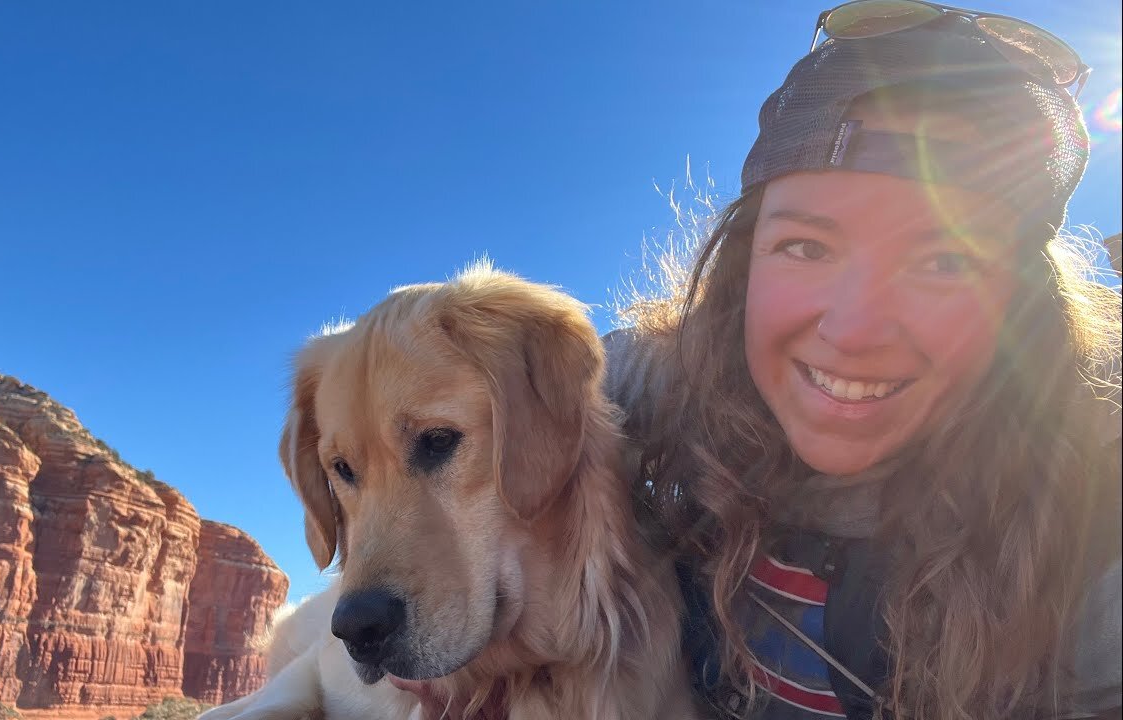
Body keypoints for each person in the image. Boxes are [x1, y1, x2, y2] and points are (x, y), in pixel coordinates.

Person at [399, 2, 1123, 718]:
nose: (853, 329)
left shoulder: (1095, 524)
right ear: (745, 267)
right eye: (806, 247)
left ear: (1022, 305)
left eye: (943, 261)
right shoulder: (649, 382)